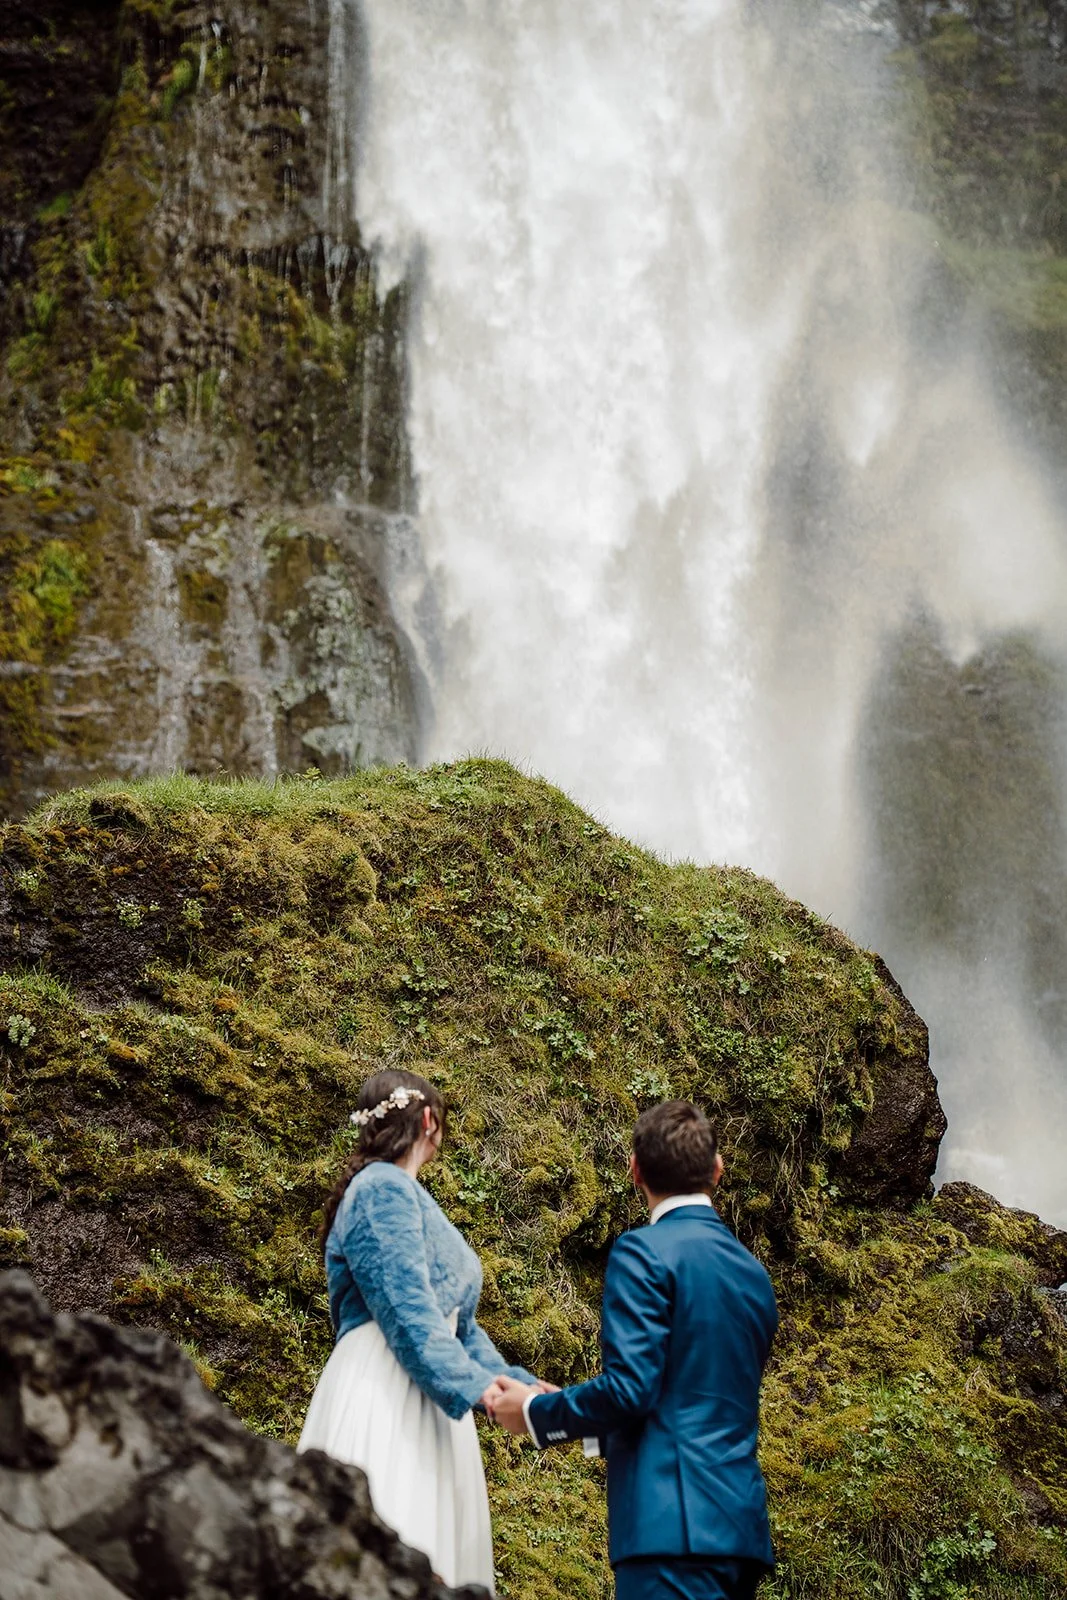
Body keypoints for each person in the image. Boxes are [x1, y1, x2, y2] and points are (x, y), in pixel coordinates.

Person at [489, 1100, 779, 1600]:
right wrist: (588, 1419)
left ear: (635, 1169)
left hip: (668, 1532)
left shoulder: (642, 1251)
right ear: (717, 1168)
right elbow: (689, 1397)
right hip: (740, 1532)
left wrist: (536, 1412)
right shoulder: (754, 1276)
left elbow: (631, 1391)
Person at [298, 1068, 547, 1592]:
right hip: (386, 1386)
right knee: (394, 1531)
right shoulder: (381, 1189)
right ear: (429, 1120)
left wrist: (517, 1386)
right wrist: (479, 1389)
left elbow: (460, 1329)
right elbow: (406, 1311)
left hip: (430, 1388)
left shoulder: (402, 1194)